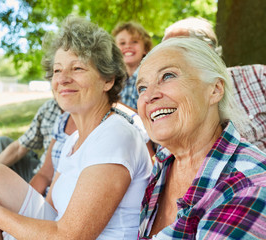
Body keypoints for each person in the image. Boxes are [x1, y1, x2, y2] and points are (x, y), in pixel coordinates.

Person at [0, 16, 152, 240]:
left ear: (108, 80)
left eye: (77, 68)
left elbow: (70, 237)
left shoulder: (115, 135)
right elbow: (48, 211)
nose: (63, 79)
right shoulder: (74, 139)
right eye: (57, 70)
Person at [136, 37, 266, 239]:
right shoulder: (163, 162)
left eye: (168, 76)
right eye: (142, 88)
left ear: (215, 90)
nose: (149, 96)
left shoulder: (249, 186)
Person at [162, 17, 266, 152]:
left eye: (177, 48)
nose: (167, 57)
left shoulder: (258, 76)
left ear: (206, 50)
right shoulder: (167, 101)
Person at [0, 98, 62, 182]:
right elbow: (20, 147)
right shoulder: (50, 107)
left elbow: (46, 176)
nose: (61, 84)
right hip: (40, 172)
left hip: (53, 181)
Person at [112, 21, 152, 110]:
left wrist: (115, 104)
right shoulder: (113, 80)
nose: (128, 46)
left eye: (134, 41)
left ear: (145, 48)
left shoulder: (150, 79)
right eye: (122, 43)